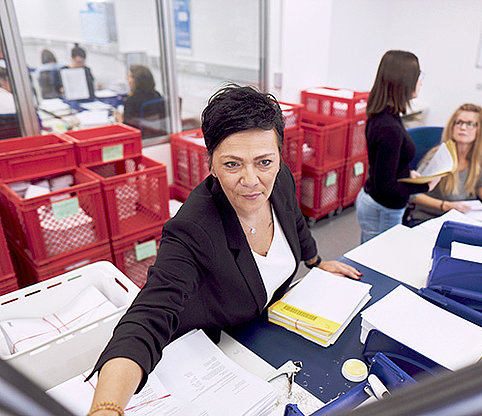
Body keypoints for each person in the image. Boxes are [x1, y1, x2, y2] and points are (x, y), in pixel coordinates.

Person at [87, 85, 361, 415]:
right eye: (232, 164)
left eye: (264, 162)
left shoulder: (281, 179)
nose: (251, 180)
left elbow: (294, 223)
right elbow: (148, 315)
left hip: (269, 333)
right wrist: (107, 407)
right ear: (211, 164)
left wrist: (316, 262)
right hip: (219, 355)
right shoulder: (194, 227)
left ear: (278, 158)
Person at [356, 50, 439, 243]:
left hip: (377, 204)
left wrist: (407, 174)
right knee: (375, 263)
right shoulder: (388, 127)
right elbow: (387, 188)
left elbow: (388, 163)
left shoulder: (387, 113)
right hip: (382, 209)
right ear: (404, 81)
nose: (421, 81)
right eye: (418, 76)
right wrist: (425, 186)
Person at [404, 104, 482, 226]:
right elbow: (413, 194)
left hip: (460, 218)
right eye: (459, 122)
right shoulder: (438, 156)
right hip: (429, 219)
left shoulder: (479, 158)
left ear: (480, 130)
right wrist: (445, 206)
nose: (463, 128)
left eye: (470, 124)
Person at [116, 64, 165, 137]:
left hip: (140, 138)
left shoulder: (131, 100)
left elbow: (128, 129)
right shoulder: (157, 95)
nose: (127, 79)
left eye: (129, 76)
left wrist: (119, 120)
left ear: (137, 81)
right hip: (156, 134)